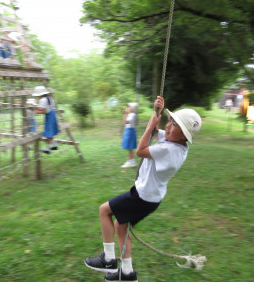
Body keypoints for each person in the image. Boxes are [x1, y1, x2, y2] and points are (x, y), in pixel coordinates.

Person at [84, 96, 202, 282]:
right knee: (120, 225)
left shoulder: (170, 150)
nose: (169, 126)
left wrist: (151, 126)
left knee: (104, 211)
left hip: (142, 197)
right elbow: (155, 131)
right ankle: (127, 273)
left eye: (175, 124)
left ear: (184, 136)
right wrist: (156, 112)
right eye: (170, 120)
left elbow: (141, 151)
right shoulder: (177, 143)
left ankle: (108, 259)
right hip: (150, 197)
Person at [32, 86, 59, 154]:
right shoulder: (49, 98)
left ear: (40, 94)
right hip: (52, 114)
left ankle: (47, 149)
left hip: (49, 116)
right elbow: (44, 108)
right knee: (50, 131)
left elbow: (43, 111)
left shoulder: (43, 100)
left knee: (48, 133)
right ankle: (54, 145)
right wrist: (37, 108)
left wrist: (34, 111)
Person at [121, 103, 138, 168]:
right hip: (129, 130)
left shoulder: (132, 115)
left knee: (130, 147)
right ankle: (131, 160)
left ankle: (131, 161)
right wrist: (126, 113)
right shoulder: (131, 114)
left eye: (129, 107)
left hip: (130, 131)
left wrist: (125, 113)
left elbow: (125, 122)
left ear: (132, 108)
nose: (128, 108)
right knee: (129, 147)